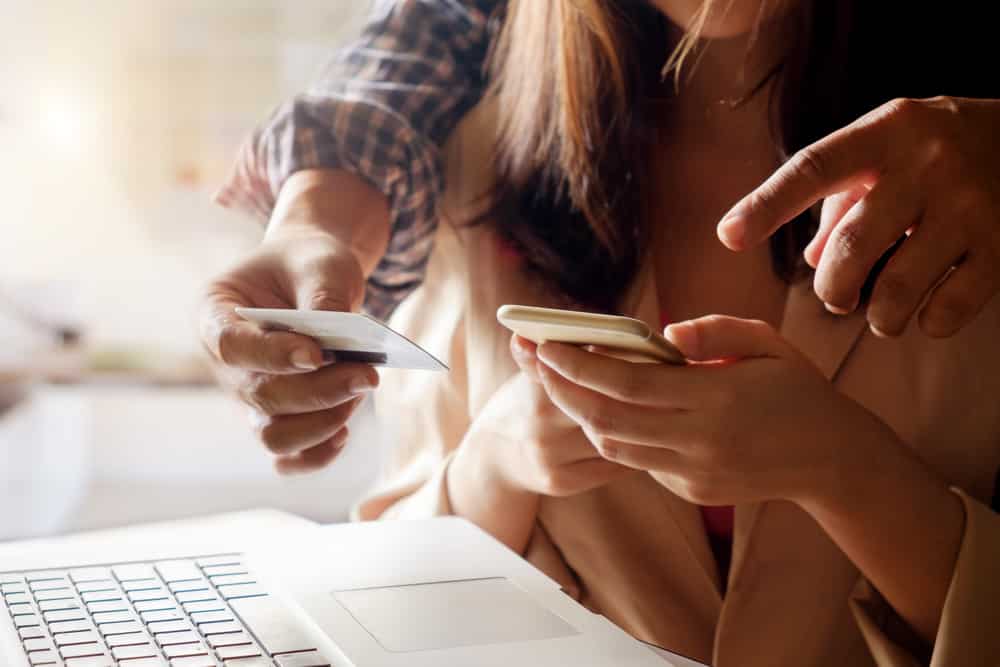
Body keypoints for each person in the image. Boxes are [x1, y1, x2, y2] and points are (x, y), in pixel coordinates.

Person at [200, 1, 1000, 664]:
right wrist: (497, 461)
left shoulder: (974, 173)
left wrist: (845, 471)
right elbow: (386, 598)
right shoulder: (469, 171)